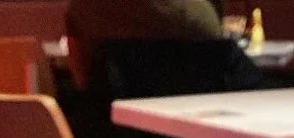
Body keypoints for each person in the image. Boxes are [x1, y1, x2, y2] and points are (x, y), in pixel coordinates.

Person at [66, 0, 224, 89]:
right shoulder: (201, 14)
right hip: (191, 137)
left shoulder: (85, 7)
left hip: (104, 135)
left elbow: (81, 77)